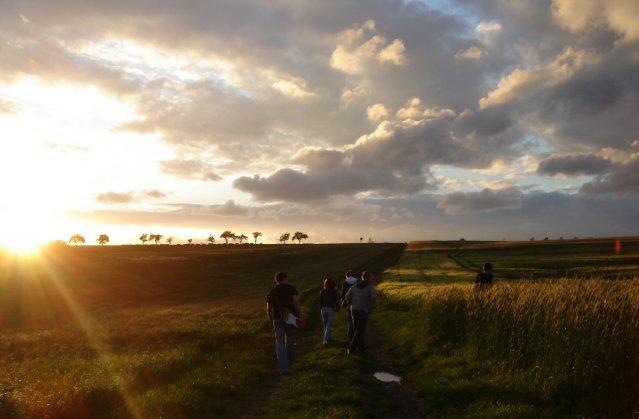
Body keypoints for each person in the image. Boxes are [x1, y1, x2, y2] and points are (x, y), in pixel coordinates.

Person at [266, 272, 303, 374]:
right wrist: (300, 316)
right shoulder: (291, 289)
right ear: (285, 279)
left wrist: (271, 320)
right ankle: (290, 364)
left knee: (280, 343)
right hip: (291, 319)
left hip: (277, 319)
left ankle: (283, 368)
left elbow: (268, 309)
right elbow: (296, 303)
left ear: (276, 280)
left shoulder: (272, 292)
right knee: (290, 342)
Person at [345, 271, 376, 354]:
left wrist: (351, 303)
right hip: (362, 310)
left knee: (357, 329)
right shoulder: (370, 287)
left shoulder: (355, 286)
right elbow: (373, 298)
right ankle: (351, 347)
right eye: (371, 277)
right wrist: (368, 308)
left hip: (353, 309)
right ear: (367, 277)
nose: (372, 278)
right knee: (360, 330)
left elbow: (347, 296)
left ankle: (360, 347)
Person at [318, 277, 340, 346]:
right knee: (328, 326)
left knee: (325, 326)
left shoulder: (322, 291)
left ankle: (328, 339)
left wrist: (321, 307)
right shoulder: (334, 292)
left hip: (323, 309)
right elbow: (337, 300)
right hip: (331, 309)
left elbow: (319, 301)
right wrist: (338, 308)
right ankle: (325, 341)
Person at [341, 270, 358, 343]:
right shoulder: (357, 281)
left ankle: (351, 338)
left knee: (350, 321)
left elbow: (343, 294)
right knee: (357, 320)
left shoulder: (345, 283)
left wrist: (343, 301)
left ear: (347, 276)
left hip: (349, 304)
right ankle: (357, 337)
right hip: (357, 303)